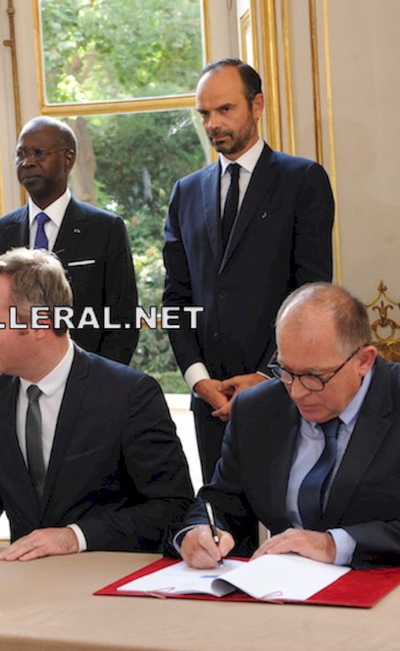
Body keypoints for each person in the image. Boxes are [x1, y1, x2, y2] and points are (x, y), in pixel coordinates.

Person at [176, 282, 400, 570]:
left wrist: (336, 544)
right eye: (285, 371)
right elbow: (219, 502)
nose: (297, 391)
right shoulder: (257, 409)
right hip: (284, 601)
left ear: (364, 360)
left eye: (315, 377)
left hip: (394, 606)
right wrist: (200, 531)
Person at [0, 248, 193, 560]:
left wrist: (75, 537)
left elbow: (173, 507)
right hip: (25, 585)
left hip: (109, 582)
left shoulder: (130, 394)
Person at [163, 58, 335, 496]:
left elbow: (310, 293)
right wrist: (198, 379)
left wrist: (268, 375)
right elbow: (176, 297)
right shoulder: (185, 192)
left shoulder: (303, 180)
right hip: (210, 399)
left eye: (225, 109)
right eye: (204, 113)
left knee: (291, 524)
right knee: (224, 529)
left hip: (285, 390)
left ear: (257, 106)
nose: (213, 123)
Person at [0, 116, 138, 370]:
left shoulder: (105, 228)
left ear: (68, 159)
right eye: (21, 154)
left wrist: (102, 386)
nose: (28, 162)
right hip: (16, 386)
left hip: (88, 386)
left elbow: (123, 320)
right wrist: (0, 388)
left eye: (39, 153)